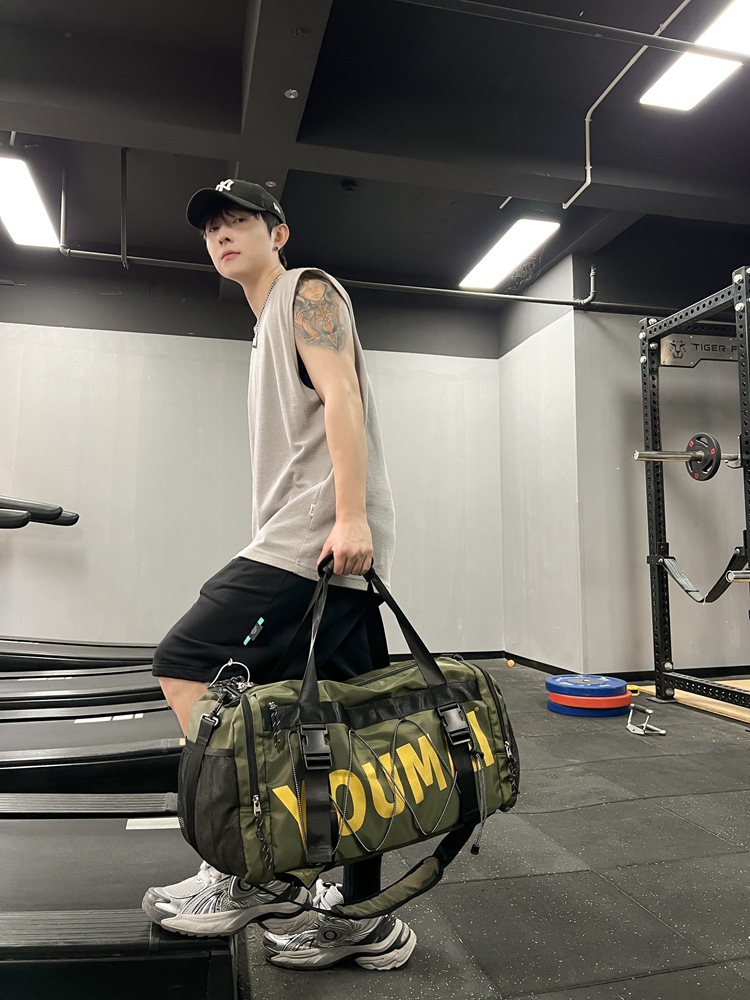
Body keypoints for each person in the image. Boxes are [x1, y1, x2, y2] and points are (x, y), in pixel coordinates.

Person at [141, 179, 416, 971]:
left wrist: (351, 517)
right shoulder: (264, 325)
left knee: (185, 660)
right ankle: (363, 919)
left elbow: (343, 396)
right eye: (211, 229)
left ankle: (256, 865)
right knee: (354, 734)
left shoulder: (306, 290)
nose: (222, 235)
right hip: (321, 545)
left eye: (239, 221)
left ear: (279, 233)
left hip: (316, 540)